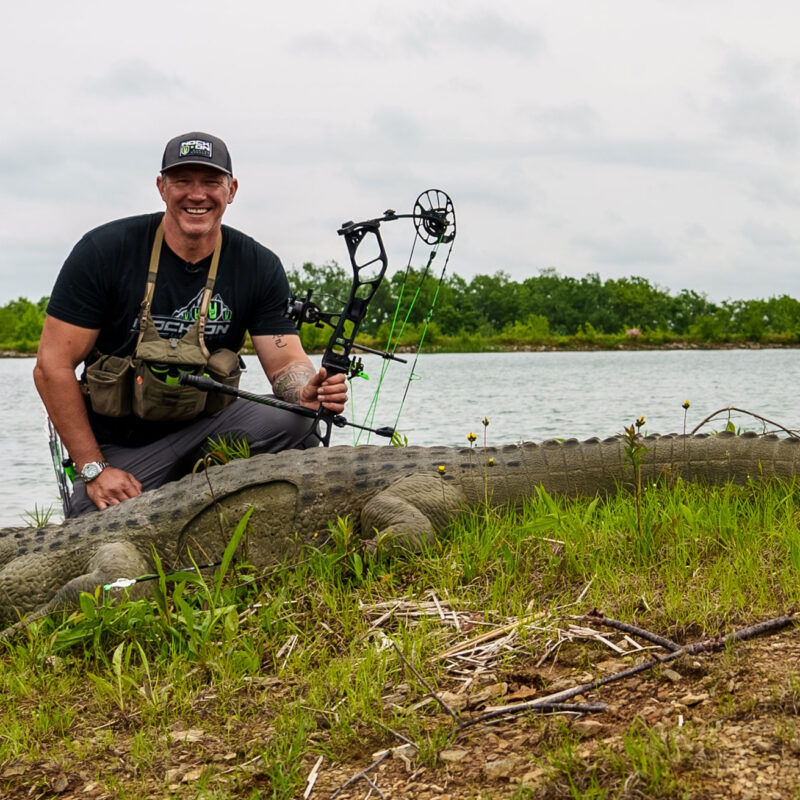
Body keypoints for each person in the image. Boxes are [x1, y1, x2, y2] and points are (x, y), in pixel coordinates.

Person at [34, 131, 347, 517]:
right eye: (183, 181)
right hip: (121, 446)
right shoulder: (103, 251)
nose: (196, 195)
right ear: (161, 187)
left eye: (211, 182)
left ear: (231, 190)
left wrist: (305, 391)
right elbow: (51, 366)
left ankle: (245, 505)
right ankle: (133, 484)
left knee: (301, 419)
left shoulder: (258, 265)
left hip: (210, 426)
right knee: (89, 524)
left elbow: (285, 363)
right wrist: (92, 468)